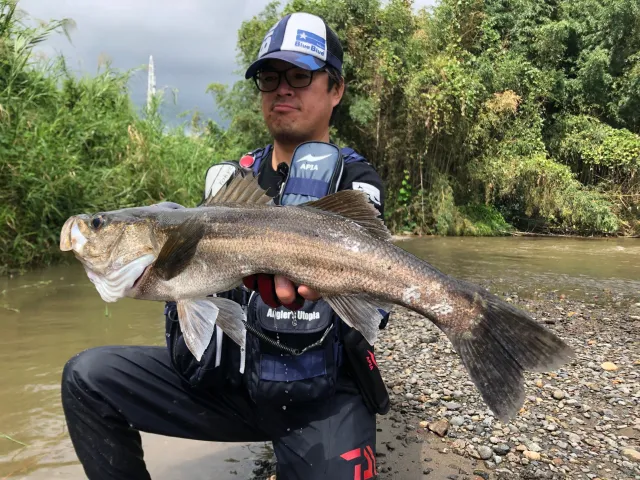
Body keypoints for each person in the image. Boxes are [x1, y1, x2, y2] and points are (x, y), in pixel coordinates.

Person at [61, 12, 389, 480]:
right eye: (269, 77)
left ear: (335, 89)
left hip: (321, 397)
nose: (283, 89)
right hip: (231, 384)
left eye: (300, 75)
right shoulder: (232, 181)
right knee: (87, 378)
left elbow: (380, 303)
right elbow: (202, 293)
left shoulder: (355, 180)